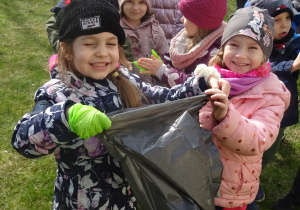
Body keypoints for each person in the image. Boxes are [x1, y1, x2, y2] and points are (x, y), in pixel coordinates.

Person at [11, 0, 230, 209]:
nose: (102, 52)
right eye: (89, 43)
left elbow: (165, 99)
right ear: (67, 49)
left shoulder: (125, 79)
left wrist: (203, 81)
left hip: (130, 197)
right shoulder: (57, 93)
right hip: (80, 203)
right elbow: (22, 140)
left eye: (110, 43)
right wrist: (66, 118)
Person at [197, 6, 291, 210]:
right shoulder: (210, 76)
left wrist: (225, 116)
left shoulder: (271, 94)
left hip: (229, 191)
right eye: (234, 44)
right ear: (223, 47)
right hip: (196, 178)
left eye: (252, 48)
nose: (240, 55)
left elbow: (259, 139)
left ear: (264, 54)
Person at [248, 0, 300, 203]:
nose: (285, 24)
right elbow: (261, 69)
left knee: (269, 151)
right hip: (257, 106)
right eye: (277, 20)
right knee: (252, 146)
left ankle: (255, 176)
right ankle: (246, 178)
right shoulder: (256, 43)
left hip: (283, 110)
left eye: (288, 18)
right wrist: (292, 66)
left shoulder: (294, 42)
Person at [136, 0, 228, 88]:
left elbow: (195, 85)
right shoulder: (191, 37)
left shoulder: (214, 54)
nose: (181, 19)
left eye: (186, 16)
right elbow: (172, 58)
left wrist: (161, 71)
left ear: (200, 23)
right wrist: (159, 62)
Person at [46, 0, 134, 62]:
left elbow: (123, 45)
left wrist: (125, 72)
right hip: (73, 68)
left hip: (113, 74)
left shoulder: (108, 8)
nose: (102, 53)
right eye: (89, 44)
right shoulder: (63, 10)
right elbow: (59, 44)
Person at [118, 0, 169, 85]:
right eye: (129, 1)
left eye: (141, 2)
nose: (135, 8)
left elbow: (166, 57)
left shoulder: (155, 30)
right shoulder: (115, 29)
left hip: (153, 87)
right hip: (124, 86)